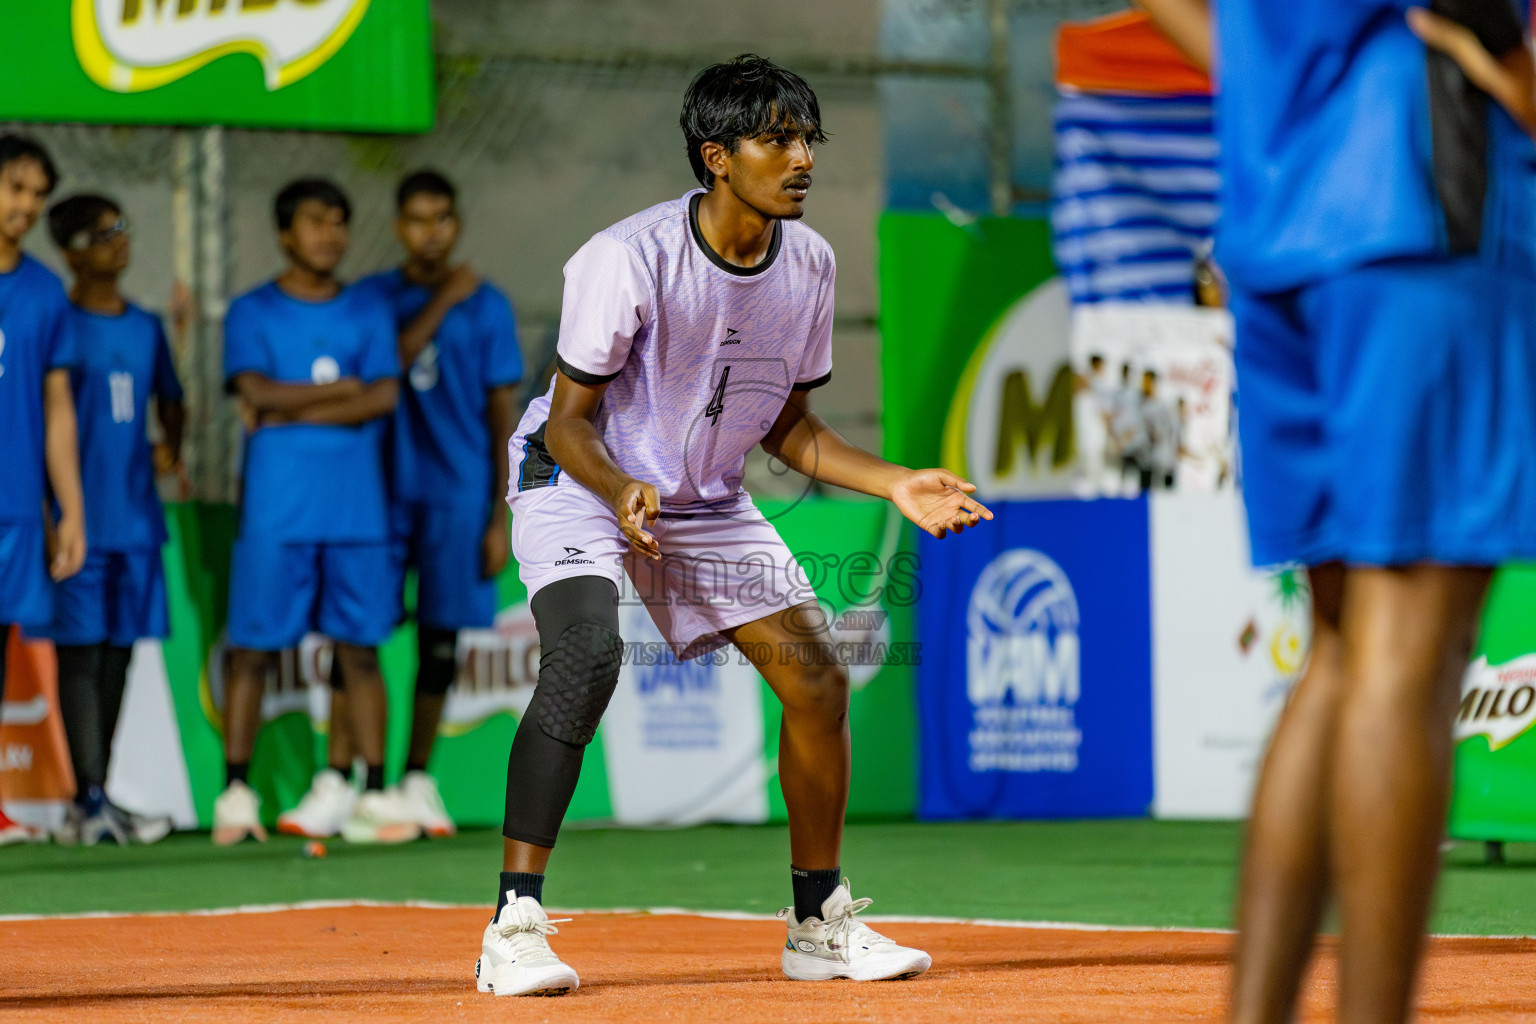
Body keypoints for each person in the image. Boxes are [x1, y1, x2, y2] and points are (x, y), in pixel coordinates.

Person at [474, 54, 991, 998]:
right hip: (579, 475)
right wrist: (625, 484)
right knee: (586, 655)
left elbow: (789, 427)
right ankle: (514, 924)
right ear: (717, 155)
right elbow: (566, 419)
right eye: (776, 138)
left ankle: (817, 926)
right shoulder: (624, 259)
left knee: (817, 681)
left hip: (698, 491)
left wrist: (895, 484)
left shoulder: (812, 265)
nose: (800, 158)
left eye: (806, 139)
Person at [1136, 2, 1536, 1022]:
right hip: (1420, 200)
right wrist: (1505, 57)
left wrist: (1285, 90)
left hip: (1276, 218)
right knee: (1412, 654)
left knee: (1346, 648)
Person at [284, 171, 522, 841]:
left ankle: (414, 782)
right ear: (398, 226)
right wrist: (444, 299)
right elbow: (385, 368)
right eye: (417, 219)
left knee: (440, 643)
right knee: (353, 634)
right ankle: (339, 780)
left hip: (456, 495)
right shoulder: (373, 299)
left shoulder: (491, 306)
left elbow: (503, 413)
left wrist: (499, 514)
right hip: (374, 496)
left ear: (456, 223)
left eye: (442, 218)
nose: (431, 232)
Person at [215, 178, 419, 847]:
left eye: (338, 221)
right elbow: (253, 391)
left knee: (360, 651)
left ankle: (376, 792)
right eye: (313, 222)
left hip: (356, 509)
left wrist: (288, 402)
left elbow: (382, 398)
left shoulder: (366, 309)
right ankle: (237, 794)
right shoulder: (251, 311)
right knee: (252, 650)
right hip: (278, 507)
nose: (329, 234)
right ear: (284, 233)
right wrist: (340, 390)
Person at [36, 194, 183, 846]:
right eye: (101, 234)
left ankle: (101, 795)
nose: (118, 242)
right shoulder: (56, 320)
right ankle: (85, 799)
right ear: (69, 251)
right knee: (80, 656)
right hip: (79, 523)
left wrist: (167, 448)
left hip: (136, 521)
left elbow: (171, 401)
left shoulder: (146, 326)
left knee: (119, 655)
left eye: (122, 228)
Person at [0, 135, 86, 846]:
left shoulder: (43, 291)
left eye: (36, 194)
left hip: (18, 506)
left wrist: (70, 509)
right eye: (15, 188)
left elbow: (58, 409)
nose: (25, 207)